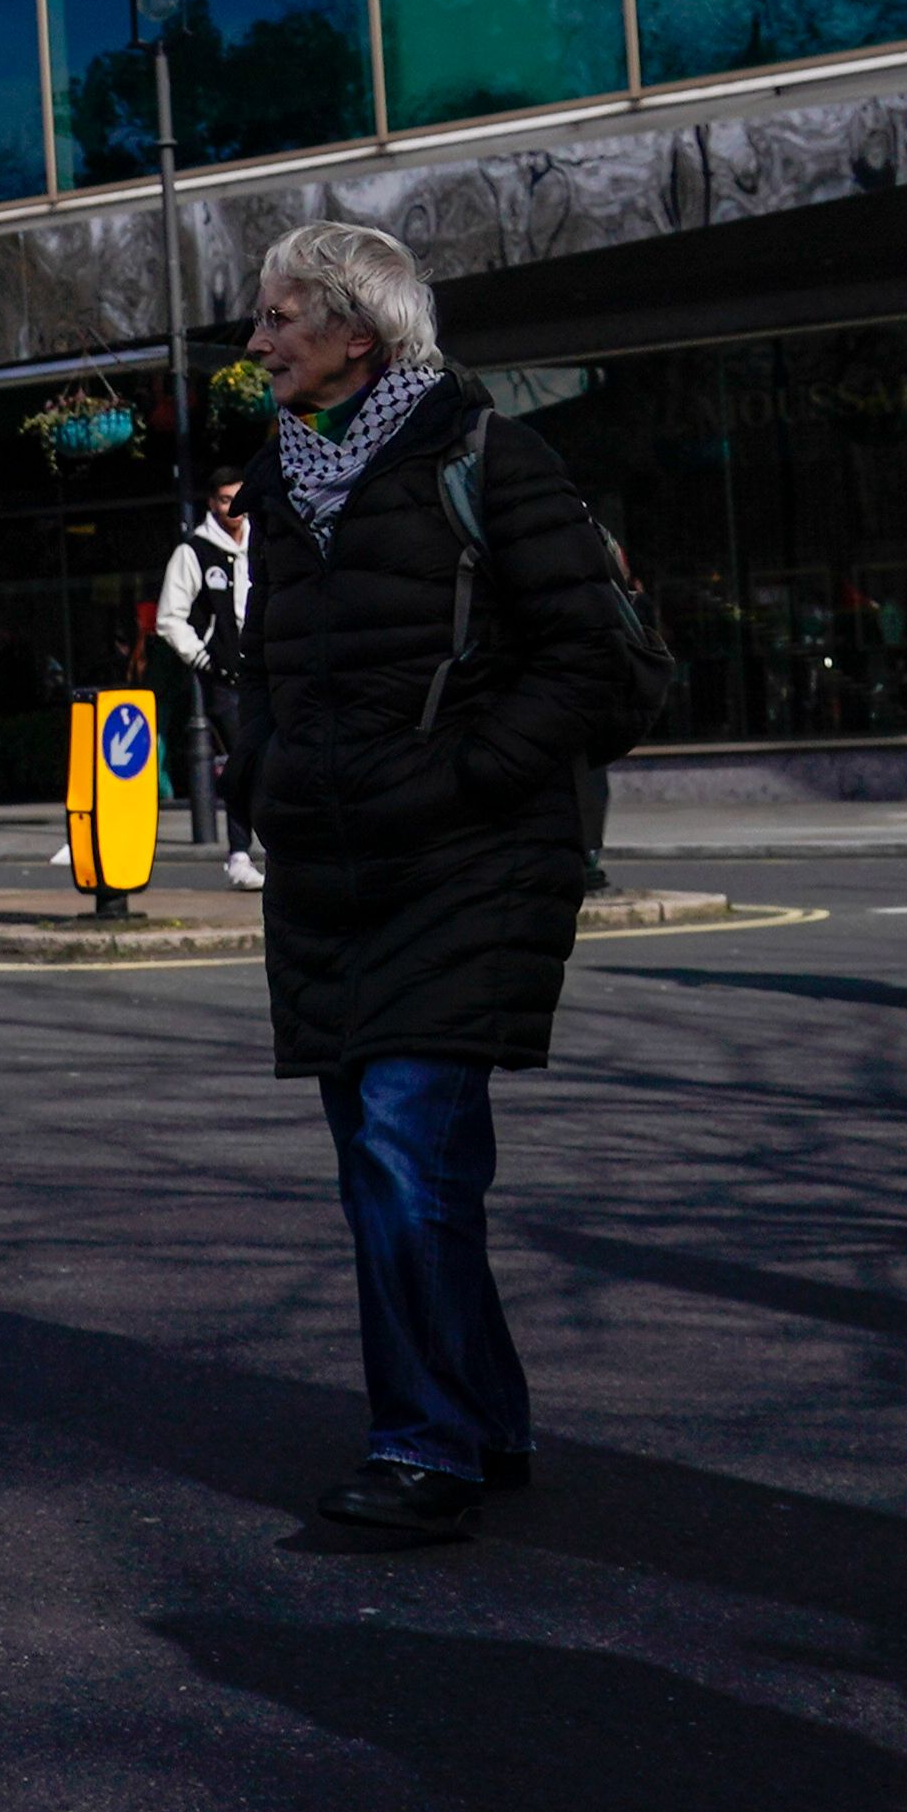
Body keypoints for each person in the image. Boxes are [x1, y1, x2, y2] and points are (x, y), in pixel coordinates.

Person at [227, 224, 631, 1545]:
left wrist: (458, 780)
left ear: (362, 333)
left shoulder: (491, 460)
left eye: (282, 316)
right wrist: (264, 773)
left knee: (405, 1151)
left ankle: (422, 1446)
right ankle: (483, 1418)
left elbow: (593, 665)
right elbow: (268, 669)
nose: (258, 341)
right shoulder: (280, 477)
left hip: (465, 862)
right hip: (332, 865)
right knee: (392, 1168)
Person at [157, 471, 262, 887]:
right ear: (211, 504)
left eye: (238, 498)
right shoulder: (194, 551)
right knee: (242, 761)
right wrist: (203, 658)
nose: (231, 508)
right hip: (226, 678)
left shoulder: (264, 538)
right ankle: (239, 854)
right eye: (223, 500)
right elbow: (169, 618)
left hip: (270, 667)